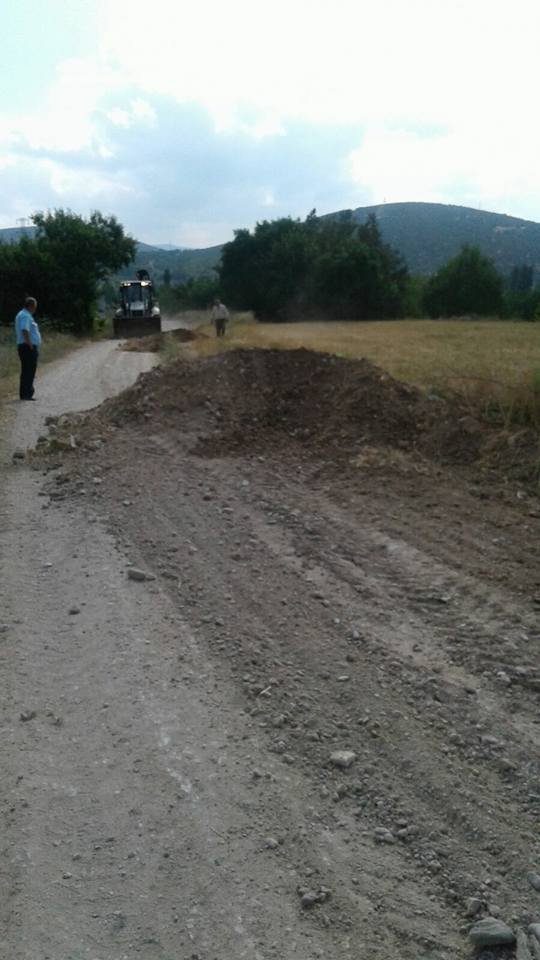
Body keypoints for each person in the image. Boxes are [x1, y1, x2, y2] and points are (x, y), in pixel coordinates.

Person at [15, 296, 41, 401]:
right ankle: (26, 394)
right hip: (27, 347)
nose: (35, 309)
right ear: (31, 306)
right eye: (35, 307)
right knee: (29, 370)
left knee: (27, 370)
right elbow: (24, 330)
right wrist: (30, 344)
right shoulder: (25, 315)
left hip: (25, 346)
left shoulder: (23, 314)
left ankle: (25, 393)